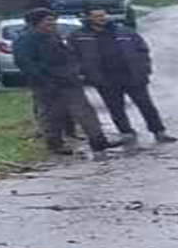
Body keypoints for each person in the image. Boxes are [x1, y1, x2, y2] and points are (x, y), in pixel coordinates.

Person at [70, 8, 177, 145]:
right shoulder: (78, 36)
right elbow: (72, 57)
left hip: (132, 76)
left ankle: (159, 132)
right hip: (104, 79)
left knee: (146, 105)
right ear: (88, 18)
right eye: (96, 16)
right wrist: (86, 73)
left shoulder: (124, 31)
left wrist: (144, 70)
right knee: (115, 108)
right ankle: (126, 133)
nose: (101, 18)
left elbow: (142, 50)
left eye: (103, 15)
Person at [16, 9, 113, 156]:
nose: (52, 22)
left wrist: (76, 70)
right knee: (52, 115)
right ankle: (55, 145)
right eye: (48, 20)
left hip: (70, 81)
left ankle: (99, 142)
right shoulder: (25, 39)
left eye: (53, 19)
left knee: (85, 112)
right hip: (47, 85)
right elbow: (25, 63)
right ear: (36, 22)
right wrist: (45, 82)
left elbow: (66, 55)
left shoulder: (53, 35)